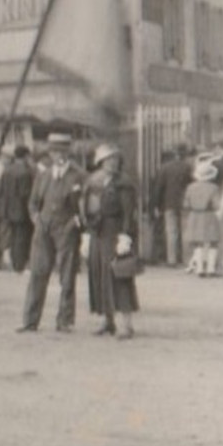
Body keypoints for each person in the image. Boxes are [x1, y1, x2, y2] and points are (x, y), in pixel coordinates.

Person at [19, 133, 86, 333]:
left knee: (66, 275)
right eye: (55, 150)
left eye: (63, 150)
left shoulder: (79, 175)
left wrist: (76, 222)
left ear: (69, 151)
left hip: (66, 228)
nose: (59, 155)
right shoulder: (44, 174)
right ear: (50, 153)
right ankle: (30, 321)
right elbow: (32, 202)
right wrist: (36, 218)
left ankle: (64, 321)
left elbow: (85, 205)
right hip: (43, 228)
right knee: (38, 273)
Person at [82, 144, 140, 339]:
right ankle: (106, 321)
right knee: (99, 275)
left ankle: (127, 325)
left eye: (115, 160)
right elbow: (85, 206)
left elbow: (128, 212)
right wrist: (87, 231)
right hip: (97, 233)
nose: (112, 163)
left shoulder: (123, 184)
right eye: (108, 160)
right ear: (100, 162)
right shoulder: (93, 181)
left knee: (119, 276)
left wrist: (125, 236)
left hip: (115, 232)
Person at [0, 146, 36, 273]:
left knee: (13, 236)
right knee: (22, 237)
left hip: (8, 208)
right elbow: (26, 193)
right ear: (26, 156)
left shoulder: (6, 171)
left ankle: (14, 262)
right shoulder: (26, 172)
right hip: (22, 209)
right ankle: (20, 264)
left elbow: (1, 190)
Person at [183, 160, 223, 277]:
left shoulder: (190, 187)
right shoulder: (214, 188)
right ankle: (211, 269)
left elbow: (186, 204)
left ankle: (199, 268)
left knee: (198, 243)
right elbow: (217, 205)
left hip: (195, 216)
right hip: (209, 216)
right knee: (213, 242)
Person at [159, 143, 195, 268]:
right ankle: (187, 259)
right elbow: (192, 183)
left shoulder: (165, 167)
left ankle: (172, 260)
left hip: (169, 202)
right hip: (185, 202)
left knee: (171, 232)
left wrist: (156, 204)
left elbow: (159, 187)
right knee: (185, 231)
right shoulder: (188, 167)